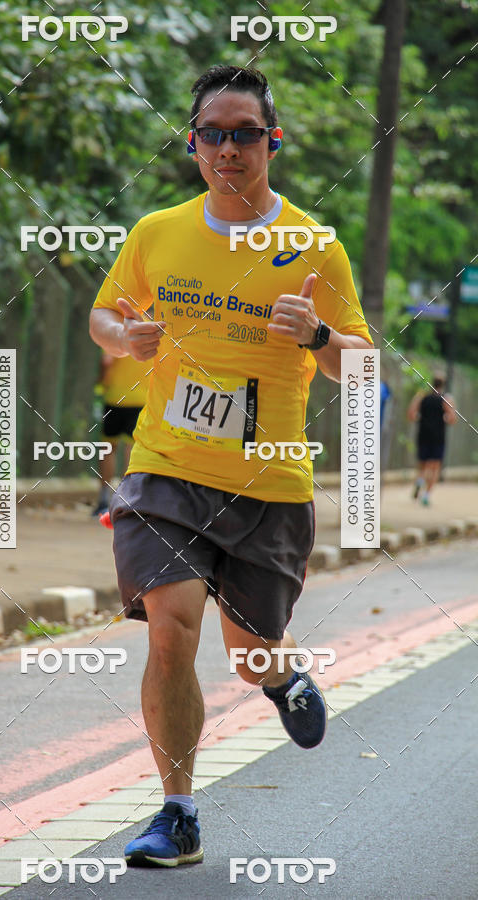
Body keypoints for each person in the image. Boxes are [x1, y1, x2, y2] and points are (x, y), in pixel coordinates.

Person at [89, 65, 373, 868]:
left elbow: (363, 368)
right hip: (165, 471)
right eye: (211, 133)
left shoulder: (315, 246)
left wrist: (319, 337)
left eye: (244, 132)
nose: (227, 148)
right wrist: (121, 336)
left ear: (271, 142)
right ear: (191, 144)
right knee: (170, 635)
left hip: (268, 487)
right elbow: (103, 311)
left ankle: (280, 675)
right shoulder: (157, 232)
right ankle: (177, 815)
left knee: (248, 655)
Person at [92, 352, 149, 516]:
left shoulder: (117, 327)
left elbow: (107, 360)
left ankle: (103, 499)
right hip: (143, 398)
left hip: (115, 396)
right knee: (132, 448)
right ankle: (127, 500)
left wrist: (101, 381)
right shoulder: (155, 329)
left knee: (108, 448)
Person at [407, 373, 457, 505]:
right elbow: (452, 419)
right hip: (438, 437)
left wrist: (421, 417)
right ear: (443, 384)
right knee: (435, 467)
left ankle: (420, 481)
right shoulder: (446, 399)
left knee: (422, 464)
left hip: (423, 435)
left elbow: (411, 415)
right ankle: (427, 495)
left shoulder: (422, 397)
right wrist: (444, 418)